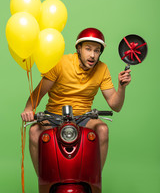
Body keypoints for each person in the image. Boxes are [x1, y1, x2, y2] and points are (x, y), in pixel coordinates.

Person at [21, 28, 131, 175]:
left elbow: (115, 105)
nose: (92, 55)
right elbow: (38, 93)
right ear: (78, 49)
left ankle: (95, 179)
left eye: (97, 51)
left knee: (103, 129)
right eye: (88, 49)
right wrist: (29, 109)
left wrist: (121, 87)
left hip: (83, 117)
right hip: (54, 116)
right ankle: (43, 179)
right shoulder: (61, 62)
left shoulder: (102, 69)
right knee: (34, 131)